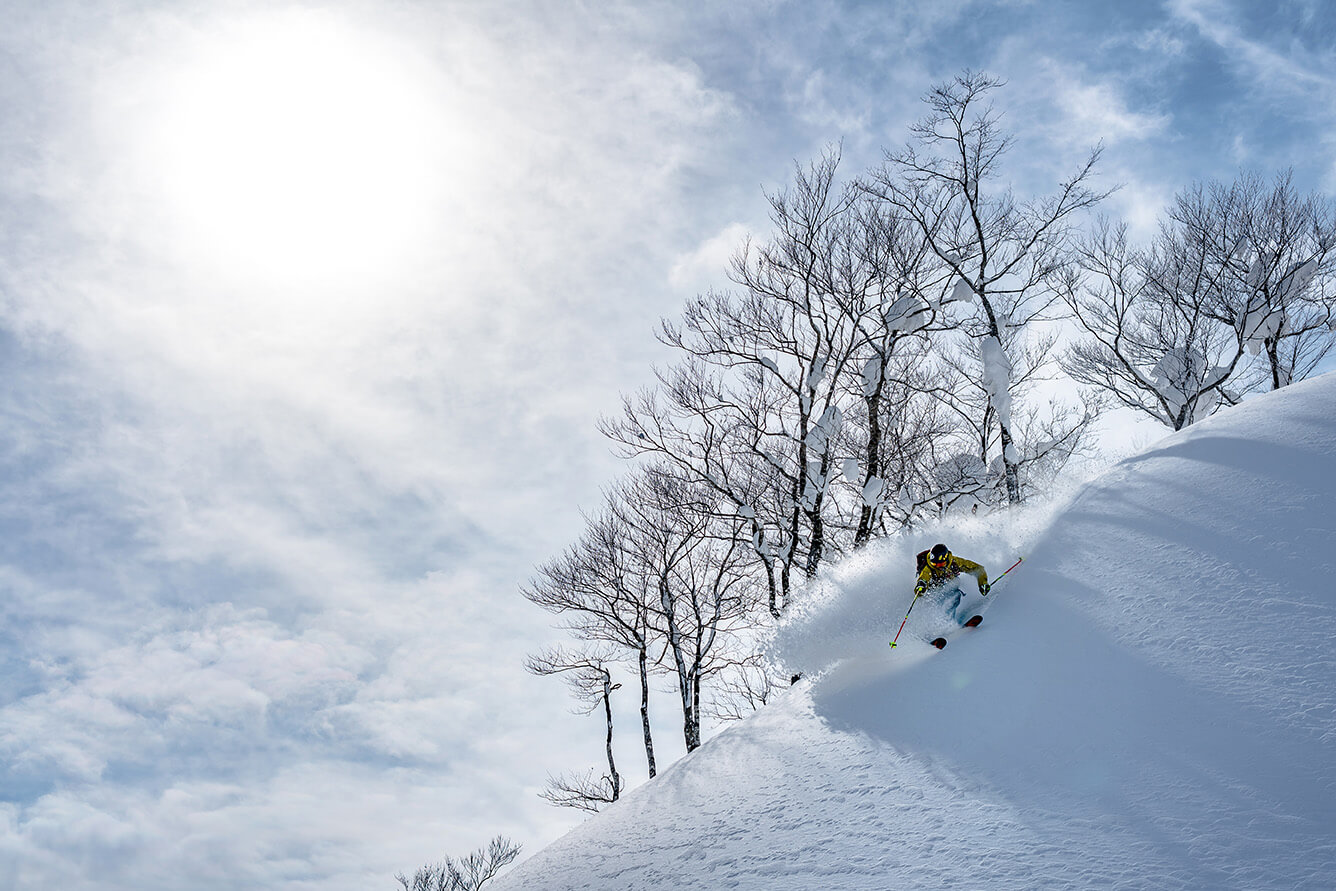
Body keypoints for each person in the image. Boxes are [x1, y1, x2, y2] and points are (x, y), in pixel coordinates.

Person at [914, 543, 989, 623]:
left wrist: (983, 583)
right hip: (932, 593)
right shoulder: (928, 568)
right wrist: (921, 586)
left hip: (948, 588)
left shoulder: (955, 562)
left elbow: (978, 569)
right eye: (934, 564)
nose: (937, 566)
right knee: (939, 602)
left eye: (940, 564)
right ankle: (939, 624)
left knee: (955, 594)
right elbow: (923, 578)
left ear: (946, 560)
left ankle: (948, 622)